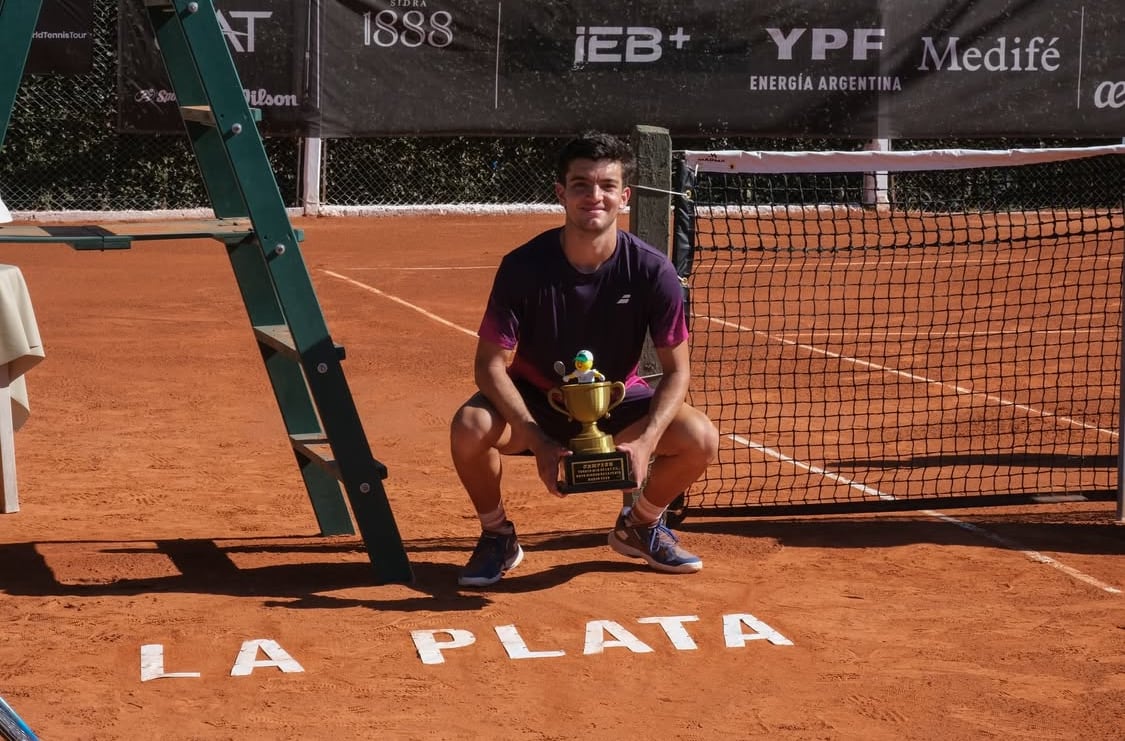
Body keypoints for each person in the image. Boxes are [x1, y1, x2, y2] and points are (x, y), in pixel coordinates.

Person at [449, 131, 719, 587]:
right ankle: (498, 535)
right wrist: (536, 439)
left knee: (700, 437)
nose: (594, 196)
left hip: (616, 403)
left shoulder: (654, 271)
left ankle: (641, 526)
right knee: (469, 427)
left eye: (607, 186)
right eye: (580, 185)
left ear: (624, 195)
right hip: (534, 403)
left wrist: (649, 440)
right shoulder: (523, 266)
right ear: (561, 193)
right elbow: (490, 364)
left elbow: (677, 371)